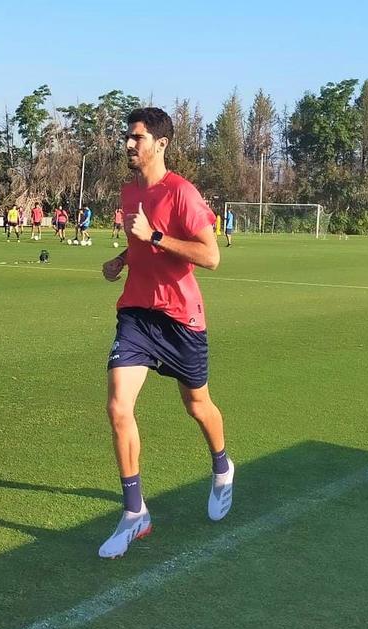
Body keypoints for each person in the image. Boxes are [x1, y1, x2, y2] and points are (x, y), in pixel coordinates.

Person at [97, 107, 231, 559]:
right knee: (118, 406)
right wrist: (123, 259)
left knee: (197, 405)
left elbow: (211, 257)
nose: (130, 144)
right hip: (137, 313)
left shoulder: (183, 194)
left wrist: (154, 237)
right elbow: (139, 243)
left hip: (180, 319)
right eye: (127, 137)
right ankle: (136, 514)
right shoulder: (128, 190)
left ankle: (221, 466)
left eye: (137, 137)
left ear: (161, 143)